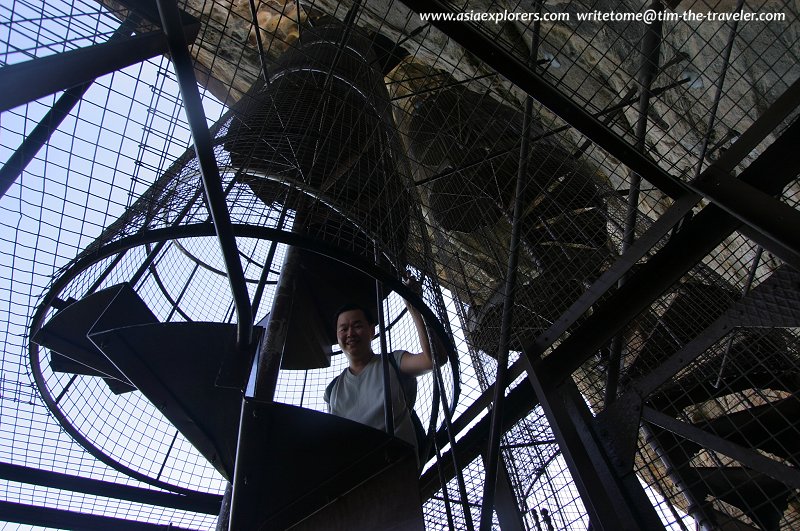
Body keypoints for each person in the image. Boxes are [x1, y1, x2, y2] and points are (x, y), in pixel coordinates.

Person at [323, 277, 434, 453]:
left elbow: (432, 360)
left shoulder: (393, 362)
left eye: (357, 325)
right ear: (337, 337)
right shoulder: (333, 389)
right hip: (355, 474)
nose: (350, 333)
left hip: (396, 466)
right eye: (343, 329)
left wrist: (415, 305)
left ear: (372, 330)